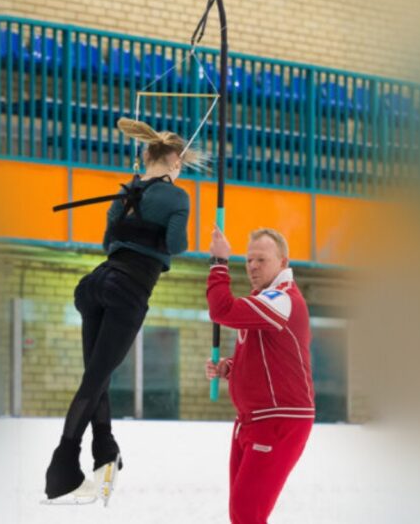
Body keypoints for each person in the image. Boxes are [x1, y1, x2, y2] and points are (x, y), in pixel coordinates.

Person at [45, 118, 207, 500]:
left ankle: (105, 451)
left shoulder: (124, 194)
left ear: (144, 157)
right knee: (95, 379)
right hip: (128, 289)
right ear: (174, 163)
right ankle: (62, 465)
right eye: (180, 165)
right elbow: (177, 244)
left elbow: (108, 242)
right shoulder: (178, 196)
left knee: (96, 377)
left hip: (94, 285)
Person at [205, 226, 315, 524]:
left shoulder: (282, 299)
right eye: (248, 260)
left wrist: (219, 263)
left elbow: (222, 310)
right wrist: (231, 367)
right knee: (242, 514)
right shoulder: (264, 300)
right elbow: (265, 358)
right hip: (251, 420)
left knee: (247, 514)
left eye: (261, 260)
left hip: (279, 421)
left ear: (283, 262)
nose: (252, 266)